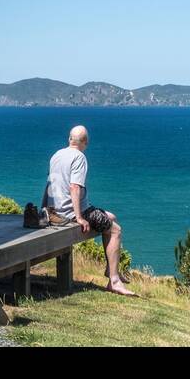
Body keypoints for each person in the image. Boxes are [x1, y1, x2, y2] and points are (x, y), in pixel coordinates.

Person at [44, 124, 135, 296]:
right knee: (116, 230)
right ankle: (114, 281)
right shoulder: (79, 157)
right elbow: (74, 187)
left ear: (69, 139)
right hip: (74, 212)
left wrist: (48, 209)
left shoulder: (56, 155)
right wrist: (78, 217)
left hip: (58, 210)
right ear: (85, 142)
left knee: (111, 217)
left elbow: (50, 183)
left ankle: (111, 268)